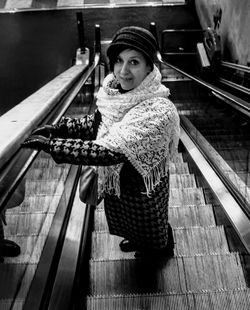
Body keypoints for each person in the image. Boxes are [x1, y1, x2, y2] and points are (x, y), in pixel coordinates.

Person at [22, 26, 180, 257]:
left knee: (151, 226)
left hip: (142, 187)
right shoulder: (114, 95)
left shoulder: (158, 109)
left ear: (149, 67)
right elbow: (97, 123)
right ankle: (139, 240)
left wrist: (54, 146)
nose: (123, 71)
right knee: (131, 224)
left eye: (134, 62)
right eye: (118, 60)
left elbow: (109, 152)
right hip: (118, 186)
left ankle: (160, 249)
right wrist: (61, 128)